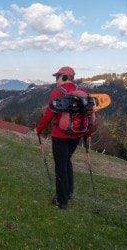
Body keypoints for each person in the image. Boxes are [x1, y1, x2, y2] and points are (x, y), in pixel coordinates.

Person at [35, 66, 91, 209]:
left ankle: (61, 200)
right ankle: (69, 192)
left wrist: (39, 129)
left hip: (60, 134)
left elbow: (50, 113)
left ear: (64, 77)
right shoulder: (83, 91)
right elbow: (89, 113)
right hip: (77, 134)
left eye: (57, 77)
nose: (56, 80)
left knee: (60, 166)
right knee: (67, 161)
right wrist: (87, 133)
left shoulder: (57, 92)